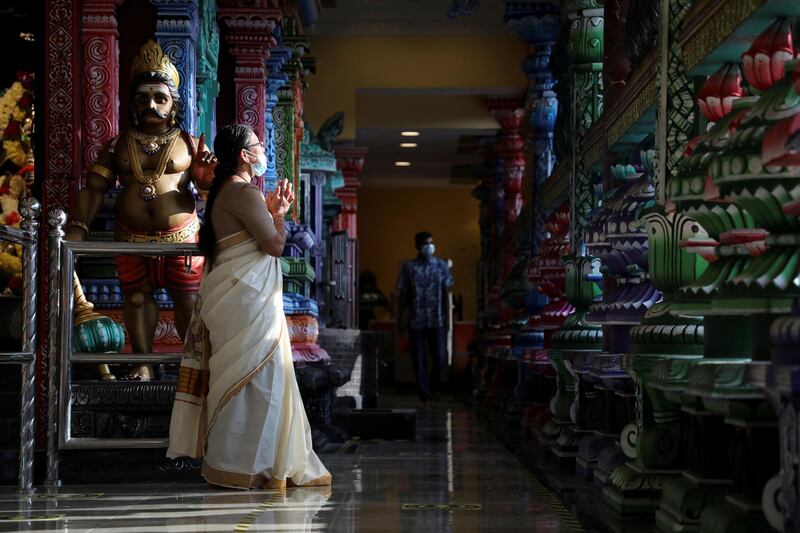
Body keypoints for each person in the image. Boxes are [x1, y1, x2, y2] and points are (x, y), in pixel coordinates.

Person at [167, 123, 331, 490]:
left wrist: (270, 208)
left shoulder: (227, 190)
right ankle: (254, 466)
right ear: (245, 154)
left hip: (240, 299)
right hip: (247, 303)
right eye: (258, 145)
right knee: (262, 380)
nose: (263, 151)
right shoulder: (242, 190)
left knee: (249, 380)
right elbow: (273, 245)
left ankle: (249, 464)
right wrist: (279, 214)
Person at [65, 40, 217, 381]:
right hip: (130, 238)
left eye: (160, 97)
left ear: (172, 104)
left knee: (189, 303)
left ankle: (196, 364)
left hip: (182, 239)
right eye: (143, 97)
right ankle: (144, 363)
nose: (151, 104)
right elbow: (93, 190)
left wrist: (207, 180)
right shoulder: (118, 144)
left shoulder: (190, 144)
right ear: (133, 103)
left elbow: (209, 193)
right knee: (135, 300)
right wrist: (77, 229)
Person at [396, 231, 453, 403]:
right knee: (419, 359)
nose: (429, 246)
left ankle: (433, 387)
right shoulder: (409, 268)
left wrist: (449, 318)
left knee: (441, 356)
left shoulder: (441, 266)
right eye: (425, 243)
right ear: (417, 246)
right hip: (416, 320)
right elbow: (403, 294)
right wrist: (401, 317)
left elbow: (447, 293)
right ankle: (424, 393)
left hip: (437, 319)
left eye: (431, 243)